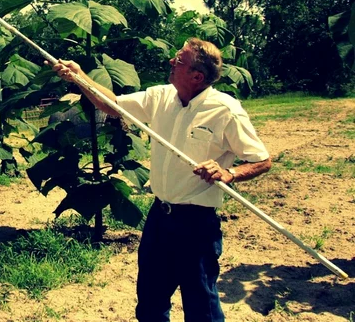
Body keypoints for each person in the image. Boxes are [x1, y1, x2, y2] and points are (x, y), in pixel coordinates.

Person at [50, 38, 271, 322]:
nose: (171, 62)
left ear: (196, 76)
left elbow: (262, 160)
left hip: (197, 225)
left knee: (201, 305)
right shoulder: (161, 96)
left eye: (179, 60)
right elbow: (114, 105)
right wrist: (79, 76)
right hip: (160, 218)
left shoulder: (226, 111)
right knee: (151, 303)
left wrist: (229, 173)